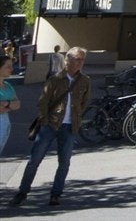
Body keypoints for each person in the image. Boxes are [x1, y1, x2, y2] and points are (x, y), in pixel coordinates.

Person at [11, 46, 92, 209]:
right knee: (34, 160)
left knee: (64, 162)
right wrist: (45, 120)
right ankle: (22, 192)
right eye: (77, 59)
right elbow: (43, 101)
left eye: (82, 59)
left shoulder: (85, 80)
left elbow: (84, 102)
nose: (80, 62)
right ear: (67, 60)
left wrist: (76, 117)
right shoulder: (56, 79)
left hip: (70, 127)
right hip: (50, 125)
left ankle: (56, 194)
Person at [0, 53, 19, 155]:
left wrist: (6, 103)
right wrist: (10, 105)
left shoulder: (7, 86)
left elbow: (17, 104)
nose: (11, 69)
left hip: (5, 124)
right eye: (8, 67)